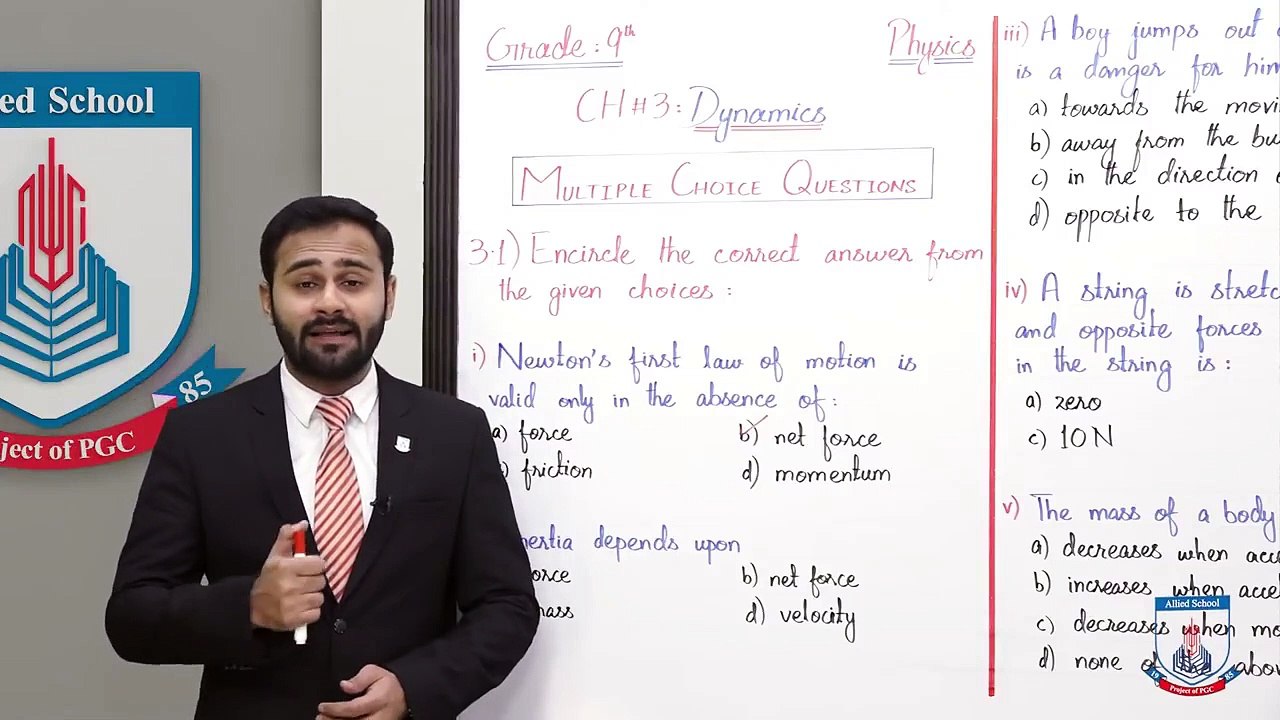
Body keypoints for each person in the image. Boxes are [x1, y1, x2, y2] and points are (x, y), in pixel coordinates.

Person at [105, 195, 539, 719]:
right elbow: (131, 616)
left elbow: (508, 606)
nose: (330, 304)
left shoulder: (454, 433)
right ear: (268, 299)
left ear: (389, 295)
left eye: (353, 282)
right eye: (306, 284)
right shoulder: (201, 435)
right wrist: (249, 606)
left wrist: (414, 688)